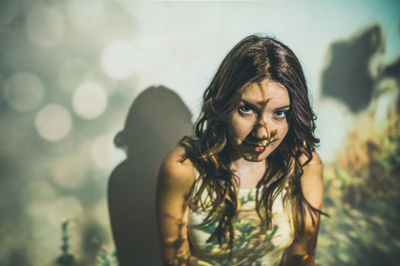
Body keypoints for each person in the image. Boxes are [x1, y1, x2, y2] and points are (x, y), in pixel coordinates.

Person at [156, 35, 325, 266]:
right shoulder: (183, 169)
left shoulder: (304, 166)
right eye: (246, 109)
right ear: (223, 103)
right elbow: (176, 261)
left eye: (279, 113)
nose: (262, 132)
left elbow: (302, 258)